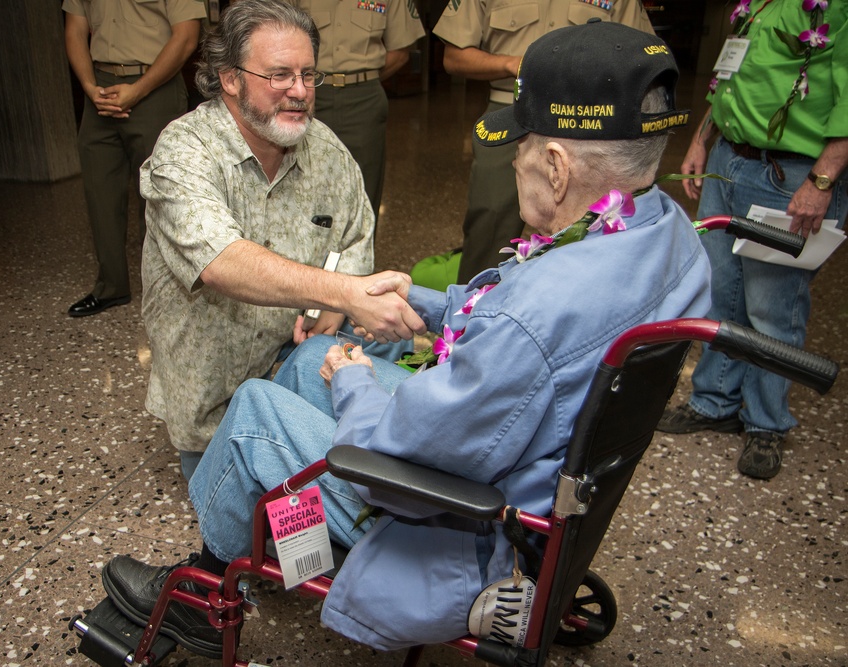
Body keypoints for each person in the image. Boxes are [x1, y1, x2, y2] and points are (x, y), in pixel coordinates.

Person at [100, 20, 710, 656]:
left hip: (467, 524)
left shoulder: (523, 325)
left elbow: (402, 458)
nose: (512, 160)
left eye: (520, 147)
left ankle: (203, 592)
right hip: (534, 469)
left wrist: (358, 380)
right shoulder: (670, 237)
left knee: (256, 408)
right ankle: (297, 532)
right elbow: (520, 322)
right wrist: (416, 299)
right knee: (311, 361)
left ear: (556, 169)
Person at [138, 0, 425, 481]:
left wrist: (332, 307)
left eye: (308, 75)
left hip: (297, 366)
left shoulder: (327, 151)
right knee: (247, 508)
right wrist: (343, 293)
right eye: (280, 76)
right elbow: (220, 262)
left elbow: (354, 237)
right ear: (230, 78)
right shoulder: (184, 150)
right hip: (210, 396)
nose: (300, 92)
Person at [657, 1, 847, 480]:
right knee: (719, 290)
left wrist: (822, 181)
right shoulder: (759, 2)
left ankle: (765, 422)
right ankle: (714, 400)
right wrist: (702, 138)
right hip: (729, 159)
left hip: (788, 172)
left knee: (771, 306)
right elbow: (730, 75)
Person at [433, 0, 653, 283]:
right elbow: (454, 57)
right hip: (512, 111)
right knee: (490, 223)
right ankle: (473, 317)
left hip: (589, 119)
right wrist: (510, 63)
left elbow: (644, 56)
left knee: (591, 229)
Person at [63, 0, 206, 317]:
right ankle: (110, 287)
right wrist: (89, 87)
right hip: (98, 89)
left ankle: (165, 291)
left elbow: (186, 36)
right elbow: (75, 29)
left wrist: (138, 90)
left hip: (155, 86)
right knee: (100, 192)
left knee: (161, 197)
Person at [290, 0, 425, 217]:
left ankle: (359, 250)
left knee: (364, 194)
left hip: (364, 100)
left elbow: (401, 52)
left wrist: (362, 79)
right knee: (302, 188)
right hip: (307, 95)